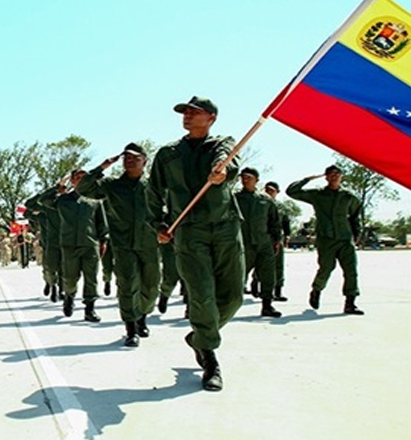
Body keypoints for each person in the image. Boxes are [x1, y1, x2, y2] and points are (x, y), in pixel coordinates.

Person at [148, 96, 244, 391]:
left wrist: (221, 172)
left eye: (194, 112)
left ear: (211, 118)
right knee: (201, 295)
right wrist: (158, 224)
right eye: (185, 112)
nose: (187, 116)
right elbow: (154, 192)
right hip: (189, 231)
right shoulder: (168, 154)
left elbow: (228, 161)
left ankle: (199, 338)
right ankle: (210, 360)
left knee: (233, 297)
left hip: (225, 227)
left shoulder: (222, 144)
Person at [77, 142, 161, 346]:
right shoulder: (112, 185)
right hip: (123, 245)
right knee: (127, 285)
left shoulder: (153, 185)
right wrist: (102, 166)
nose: (130, 161)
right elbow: (83, 188)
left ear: (145, 161)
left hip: (149, 243)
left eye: (135, 158)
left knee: (151, 287)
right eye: (127, 158)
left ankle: (142, 317)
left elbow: (166, 208)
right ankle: (131, 328)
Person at [286, 165, 364, 314]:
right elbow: (292, 192)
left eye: (337, 174)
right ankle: (316, 290)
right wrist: (307, 179)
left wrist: (356, 234)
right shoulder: (317, 194)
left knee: (351, 270)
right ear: (326, 177)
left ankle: (350, 302)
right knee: (326, 268)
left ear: (341, 177)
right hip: (326, 239)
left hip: (345, 238)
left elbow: (355, 216)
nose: (334, 176)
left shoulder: (348, 196)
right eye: (331, 174)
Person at [38, 170, 108, 322]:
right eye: (77, 177)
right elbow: (43, 200)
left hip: (90, 245)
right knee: (70, 278)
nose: (81, 180)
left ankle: (90, 309)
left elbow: (101, 223)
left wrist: (103, 241)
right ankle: (69, 297)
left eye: (84, 177)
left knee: (91, 278)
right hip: (69, 245)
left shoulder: (95, 200)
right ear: (72, 181)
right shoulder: (63, 200)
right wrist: (58, 187)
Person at [234, 167, 282, 318]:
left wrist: (277, 240)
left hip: (264, 244)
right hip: (243, 244)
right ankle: (226, 306)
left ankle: (267, 305)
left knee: (268, 276)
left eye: (249, 177)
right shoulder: (234, 198)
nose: (245, 180)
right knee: (237, 276)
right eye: (243, 177)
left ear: (257, 180)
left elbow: (274, 222)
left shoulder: (266, 200)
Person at [26, 193, 63, 302]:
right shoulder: (43, 215)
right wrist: (47, 192)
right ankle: (51, 284)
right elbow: (27, 211)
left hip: (64, 244)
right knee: (49, 268)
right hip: (48, 245)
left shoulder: (64, 210)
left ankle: (61, 289)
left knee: (63, 269)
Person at [264, 181, 292, 301]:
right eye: (267, 190)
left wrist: (287, 235)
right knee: (262, 265)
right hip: (262, 238)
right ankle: (257, 285)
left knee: (278, 265)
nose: (269, 192)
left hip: (276, 238)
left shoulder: (281, 207)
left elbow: (286, 222)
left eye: (272, 190)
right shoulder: (260, 203)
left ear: (277, 192)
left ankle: (278, 291)